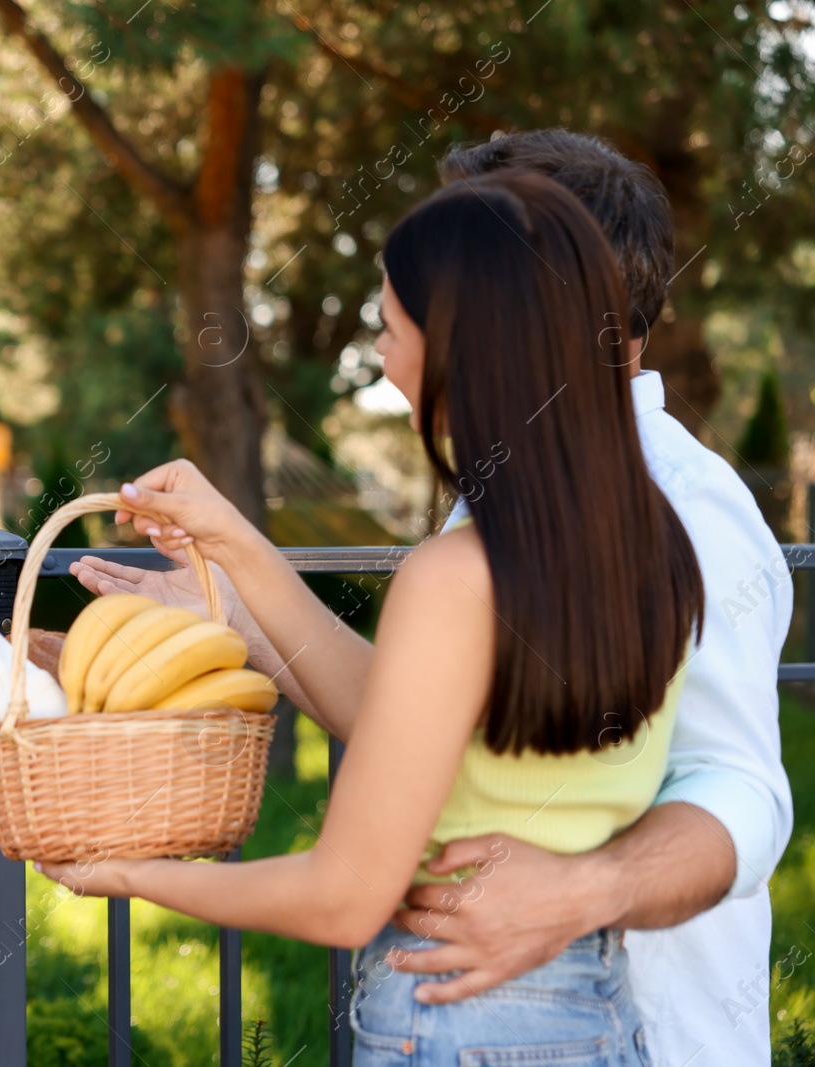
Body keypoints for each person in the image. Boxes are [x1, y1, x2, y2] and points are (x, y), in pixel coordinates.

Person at [71, 130, 793, 1066]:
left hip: (600, 1016)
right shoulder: (595, 508)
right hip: (587, 1011)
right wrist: (242, 584)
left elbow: (746, 791)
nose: (379, 347)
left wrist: (131, 872)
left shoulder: (684, 504)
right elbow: (438, 728)